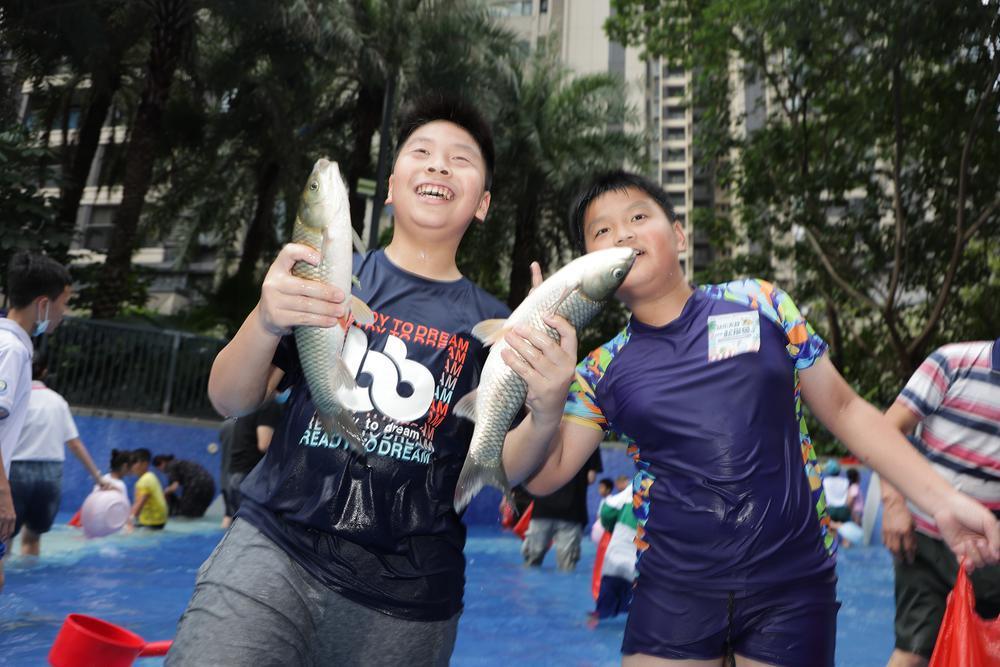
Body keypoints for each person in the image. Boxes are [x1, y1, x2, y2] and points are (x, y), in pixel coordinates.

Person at [499, 170, 1000, 666]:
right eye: (602, 231)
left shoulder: (761, 302)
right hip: (673, 590)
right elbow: (543, 475)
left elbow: (847, 411)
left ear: (678, 234)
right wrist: (545, 405)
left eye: (638, 216)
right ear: (589, 266)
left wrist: (944, 500)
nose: (623, 233)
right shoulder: (598, 369)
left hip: (793, 584)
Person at [168, 94, 577, 666]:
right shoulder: (327, 278)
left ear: (483, 203)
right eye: (422, 152)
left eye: (460, 158)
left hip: (409, 596)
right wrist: (264, 319)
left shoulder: (497, 327)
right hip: (271, 550)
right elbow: (229, 399)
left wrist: (550, 407)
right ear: (390, 186)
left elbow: (507, 465)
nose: (438, 165)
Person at [882, 339, 1000, 667]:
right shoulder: (953, 363)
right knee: (914, 650)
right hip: (925, 539)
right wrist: (893, 505)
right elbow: (887, 430)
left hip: (989, 549)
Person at [0, 250, 72, 590]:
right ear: (43, 304)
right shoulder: (10, 350)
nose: (64, 313)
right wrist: (3, 495)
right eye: (63, 303)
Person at [9, 351, 109, 557]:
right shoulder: (58, 401)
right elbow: (75, 444)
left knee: (5, 534)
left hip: (16, 470)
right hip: (51, 473)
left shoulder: (14, 397)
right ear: (45, 371)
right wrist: (98, 478)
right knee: (33, 537)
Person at [522, 448, 602, 572]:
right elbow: (590, 478)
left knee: (531, 560)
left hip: (543, 507)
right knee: (566, 566)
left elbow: (526, 469)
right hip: (572, 510)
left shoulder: (546, 433)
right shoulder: (592, 434)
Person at [222, 398, 281, 524]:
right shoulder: (269, 405)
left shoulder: (250, 404)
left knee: (234, 523)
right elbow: (264, 444)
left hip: (235, 472)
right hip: (249, 475)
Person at [590, 483, 638, 626]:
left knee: (602, 612)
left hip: (616, 559)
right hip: (641, 569)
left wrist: (611, 528)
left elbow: (607, 510)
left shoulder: (635, 486)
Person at [153, 454, 216, 518]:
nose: (160, 470)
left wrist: (164, 493)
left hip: (195, 484)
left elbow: (174, 486)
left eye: (159, 466)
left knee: (186, 512)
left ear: (163, 462)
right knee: (198, 513)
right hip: (210, 484)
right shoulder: (181, 463)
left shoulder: (170, 466)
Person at [128, 448, 167, 530]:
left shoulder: (144, 481)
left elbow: (140, 503)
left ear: (145, 464)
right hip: (160, 522)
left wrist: (129, 522)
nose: (132, 466)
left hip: (151, 523)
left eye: (135, 462)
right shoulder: (151, 476)